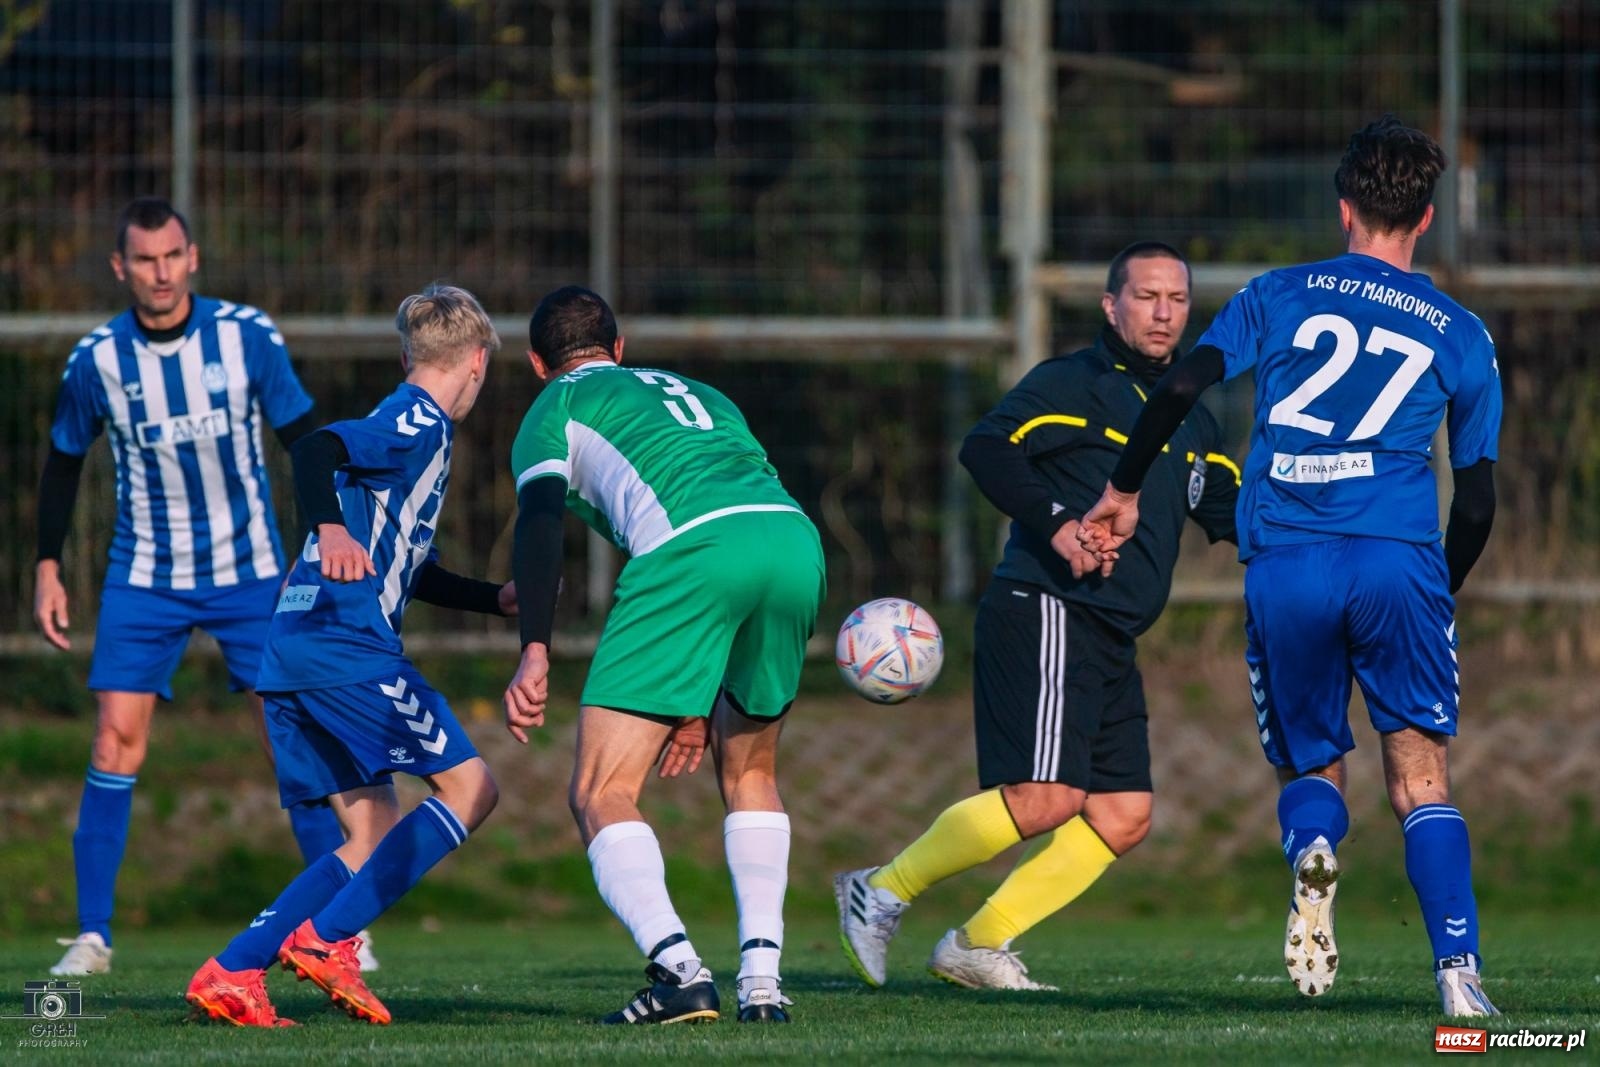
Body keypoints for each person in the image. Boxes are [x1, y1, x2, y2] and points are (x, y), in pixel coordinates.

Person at [1078, 118, 1501, 1017]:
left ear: (1343, 207)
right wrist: (1436, 585)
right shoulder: (1461, 332)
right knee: (1418, 771)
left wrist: (1123, 487)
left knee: (1313, 766)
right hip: (1396, 562)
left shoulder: (1278, 293)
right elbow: (1474, 501)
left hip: (1286, 564)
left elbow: (1184, 386)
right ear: (1424, 219)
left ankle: (1314, 852)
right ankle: (1459, 980)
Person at [835, 243, 1241, 991]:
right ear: (1110, 306)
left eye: (1177, 300)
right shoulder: (1075, 383)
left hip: (1112, 632)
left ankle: (976, 942)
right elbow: (984, 446)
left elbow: (1229, 512)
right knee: (1046, 798)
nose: (1162, 313)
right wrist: (1056, 521)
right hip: (1051, 607)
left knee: (1122, 813)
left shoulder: (1197, 420)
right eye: (1145, 296)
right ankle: (881, 887)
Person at [35, 196, 358, 977]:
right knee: (115, 738)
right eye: (144, 260)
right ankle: (93, 936)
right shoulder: (97, 360)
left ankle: (335, 924)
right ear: (121, 268)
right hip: (144, 576)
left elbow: (305, 442)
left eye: (172, 255)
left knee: (292, 746)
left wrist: (329, 532)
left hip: (248, 571)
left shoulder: (247, 337)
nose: (161, 272)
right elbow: (64, 460)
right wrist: (47, 564)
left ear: (194, 256)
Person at [184, 284, 512, 1028]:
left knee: (368, 836)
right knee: (471, 789)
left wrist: (493, 598)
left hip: (296, 645)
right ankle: (328, 940)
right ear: (478, 362)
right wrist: (328, 528)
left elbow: (402, 565)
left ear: (407, 353)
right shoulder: (414, 417)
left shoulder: (409, 432)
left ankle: (232, 968)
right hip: (345, 648)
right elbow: (312, 446)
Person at [502, 286, 825, 1025]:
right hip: (792, 538)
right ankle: (765, 984)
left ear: (535, 362)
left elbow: (541, 520)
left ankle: (679, 970)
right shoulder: (700, 392)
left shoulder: (551, 409)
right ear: (619, 348)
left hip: (694, 552)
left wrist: (535, 649)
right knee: (751, 770)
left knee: (599, 788)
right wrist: (688, 700)